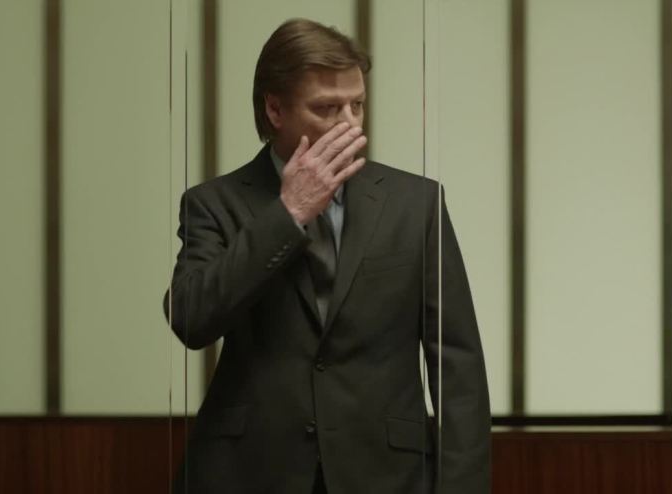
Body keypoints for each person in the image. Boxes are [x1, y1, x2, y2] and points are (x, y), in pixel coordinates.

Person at [164, 18, 490, 494]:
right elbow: (191, 318)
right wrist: (288, 213)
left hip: (387, 472)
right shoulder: (214, 203)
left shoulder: (416, 204)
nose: (350, 124)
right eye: (327, 108)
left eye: (357, 105)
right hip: (251, 471)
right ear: (275, 109)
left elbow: (457, 364)